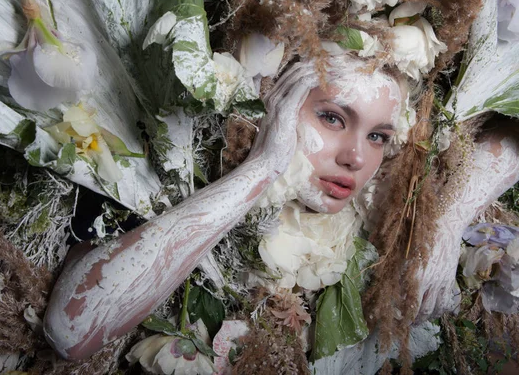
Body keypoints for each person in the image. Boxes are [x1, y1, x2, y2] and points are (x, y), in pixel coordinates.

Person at [43, 56, 411, 361]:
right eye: (332, 118)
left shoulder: (361, 238)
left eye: (377, 136)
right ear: (278, 102)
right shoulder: (162, 170)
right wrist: (263, 167)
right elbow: (72, 331)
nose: (357, 157)